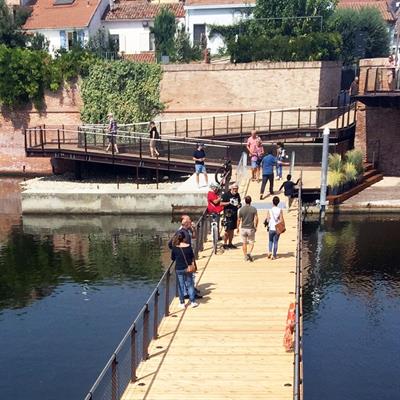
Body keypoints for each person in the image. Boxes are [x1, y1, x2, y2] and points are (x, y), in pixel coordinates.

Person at [170, 233, 198, 309]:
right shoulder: (189, 247)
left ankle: (182, 303)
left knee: (181, 286)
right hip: (188, 268)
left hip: (179, 268)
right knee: (190, 284)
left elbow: (172, 258)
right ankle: (192, 301)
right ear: (184, 238)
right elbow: (192, 256)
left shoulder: (175, 248)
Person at [237, 195, 258, 262]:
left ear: (245, 201)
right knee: (251, 242)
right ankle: (249, 253)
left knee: (244, 243)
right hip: (250, 228)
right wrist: (255, 226)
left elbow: (239, 219)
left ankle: (245, 256)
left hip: (243, 228)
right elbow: (256, 218)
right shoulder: (253, 209)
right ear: (250, 201)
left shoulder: (241, 209)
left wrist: (237, 227)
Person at [221, 182, 241, 249]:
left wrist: (239, 205)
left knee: (232, 230)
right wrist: (229, 203)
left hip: (234, 214)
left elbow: (239, 202)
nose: (236, 190)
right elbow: (221, 203)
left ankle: (230, 243)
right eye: (234, 189)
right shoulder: (226, 195)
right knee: (227, 230)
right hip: (227, 214)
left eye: (237, 189)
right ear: (231, 188)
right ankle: (225, 243)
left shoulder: (237, 195)